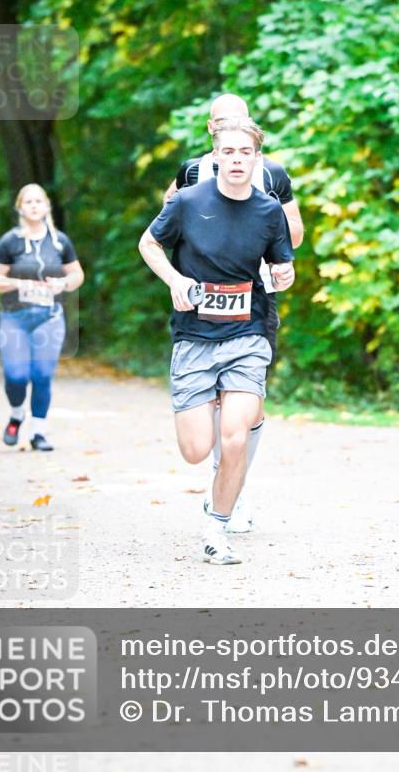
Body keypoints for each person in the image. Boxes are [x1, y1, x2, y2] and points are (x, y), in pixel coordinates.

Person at [139, 119, 295, 564]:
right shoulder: (187, 202)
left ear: (256, 158)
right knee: (195, 450)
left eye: (245, 152)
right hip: (194, 337)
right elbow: (149, 244)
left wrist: (286, 273)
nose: (236, 160)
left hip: (247, 335)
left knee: (235, 438)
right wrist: (174, 278)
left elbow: (283, 266)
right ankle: (215, 491)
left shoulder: (269, 211)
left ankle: (217, 528)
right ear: (215, 157)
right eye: (228, 152)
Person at [0, 183, 84, 452]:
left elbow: (77, 275)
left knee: (42, 375)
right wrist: (18, 283)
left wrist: (62, 285)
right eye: (28, 201)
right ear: (20, 207)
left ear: (47, 206)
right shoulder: (10, 241)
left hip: (49, 317)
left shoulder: (59, 241)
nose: (34, 205)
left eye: (39, 201)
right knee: (15, 376)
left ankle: (38, 432)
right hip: (15, 318)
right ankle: (17, 414)